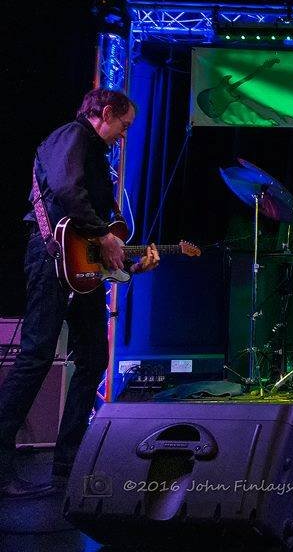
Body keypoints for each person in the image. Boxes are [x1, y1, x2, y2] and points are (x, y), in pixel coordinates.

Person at [0, 89, 160, 498]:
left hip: (78, 270)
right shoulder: (70, 137)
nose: (123, 136)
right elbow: (68, 193)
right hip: (48, 258)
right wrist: (104, 233)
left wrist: (131, 263)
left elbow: (98, 247)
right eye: (123, 126)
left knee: (92, 357)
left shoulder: (99, 159)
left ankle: (68, 464)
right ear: (105, 113)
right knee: (36, 354)